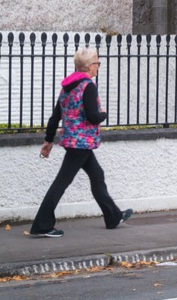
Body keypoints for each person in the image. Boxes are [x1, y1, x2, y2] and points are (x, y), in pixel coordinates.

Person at [29, 45, 133, 238]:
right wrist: (104, 114)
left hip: (74, 142)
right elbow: (93, 116)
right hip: (81, 143)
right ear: (88, 66)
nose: (98, 67)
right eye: (97, 63)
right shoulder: (88, 86)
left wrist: (48, 141)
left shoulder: (67, 87)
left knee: (97, 175)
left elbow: (55, 117)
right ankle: (42, 225)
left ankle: (113, 216)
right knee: (61, 182)